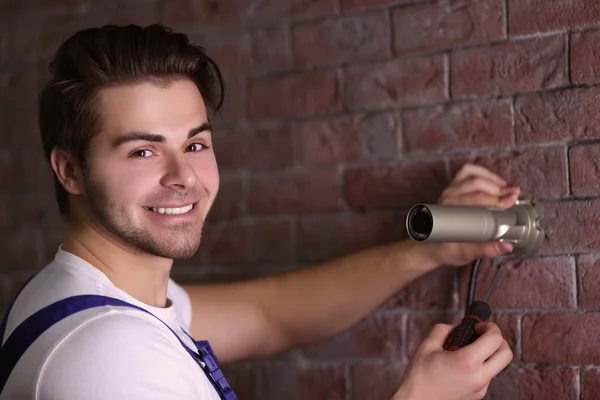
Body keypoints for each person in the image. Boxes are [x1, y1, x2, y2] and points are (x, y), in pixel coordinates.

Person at [0, 24, 515, 400]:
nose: (184, 176)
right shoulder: (110, 359)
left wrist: (427, 249)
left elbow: (272, 316)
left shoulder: (87, 295)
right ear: (69, 170)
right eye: (143, 151)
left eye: (196, 145)